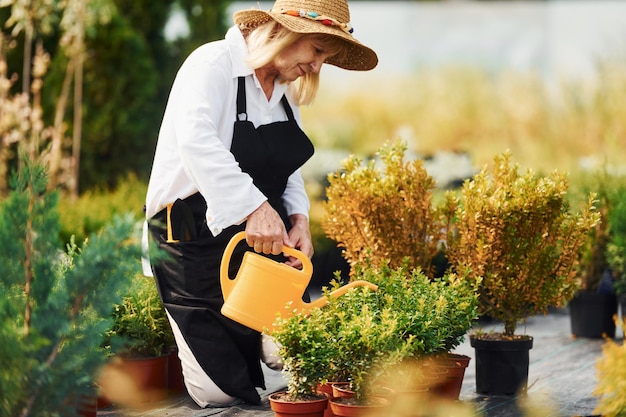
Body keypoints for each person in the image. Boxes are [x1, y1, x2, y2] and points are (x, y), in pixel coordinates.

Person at [142, 0, 378, 408]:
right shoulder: (211, 65)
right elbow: (197, 144)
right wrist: (254, 209)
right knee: (220, 394)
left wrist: (299, 218)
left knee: (284, 363)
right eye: (317, 52)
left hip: (253, 248)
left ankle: (269, 337)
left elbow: (288, 170)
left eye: (326, 57)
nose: (317, 67)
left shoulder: (283, 92)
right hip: (186, 239)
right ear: (287, 33)